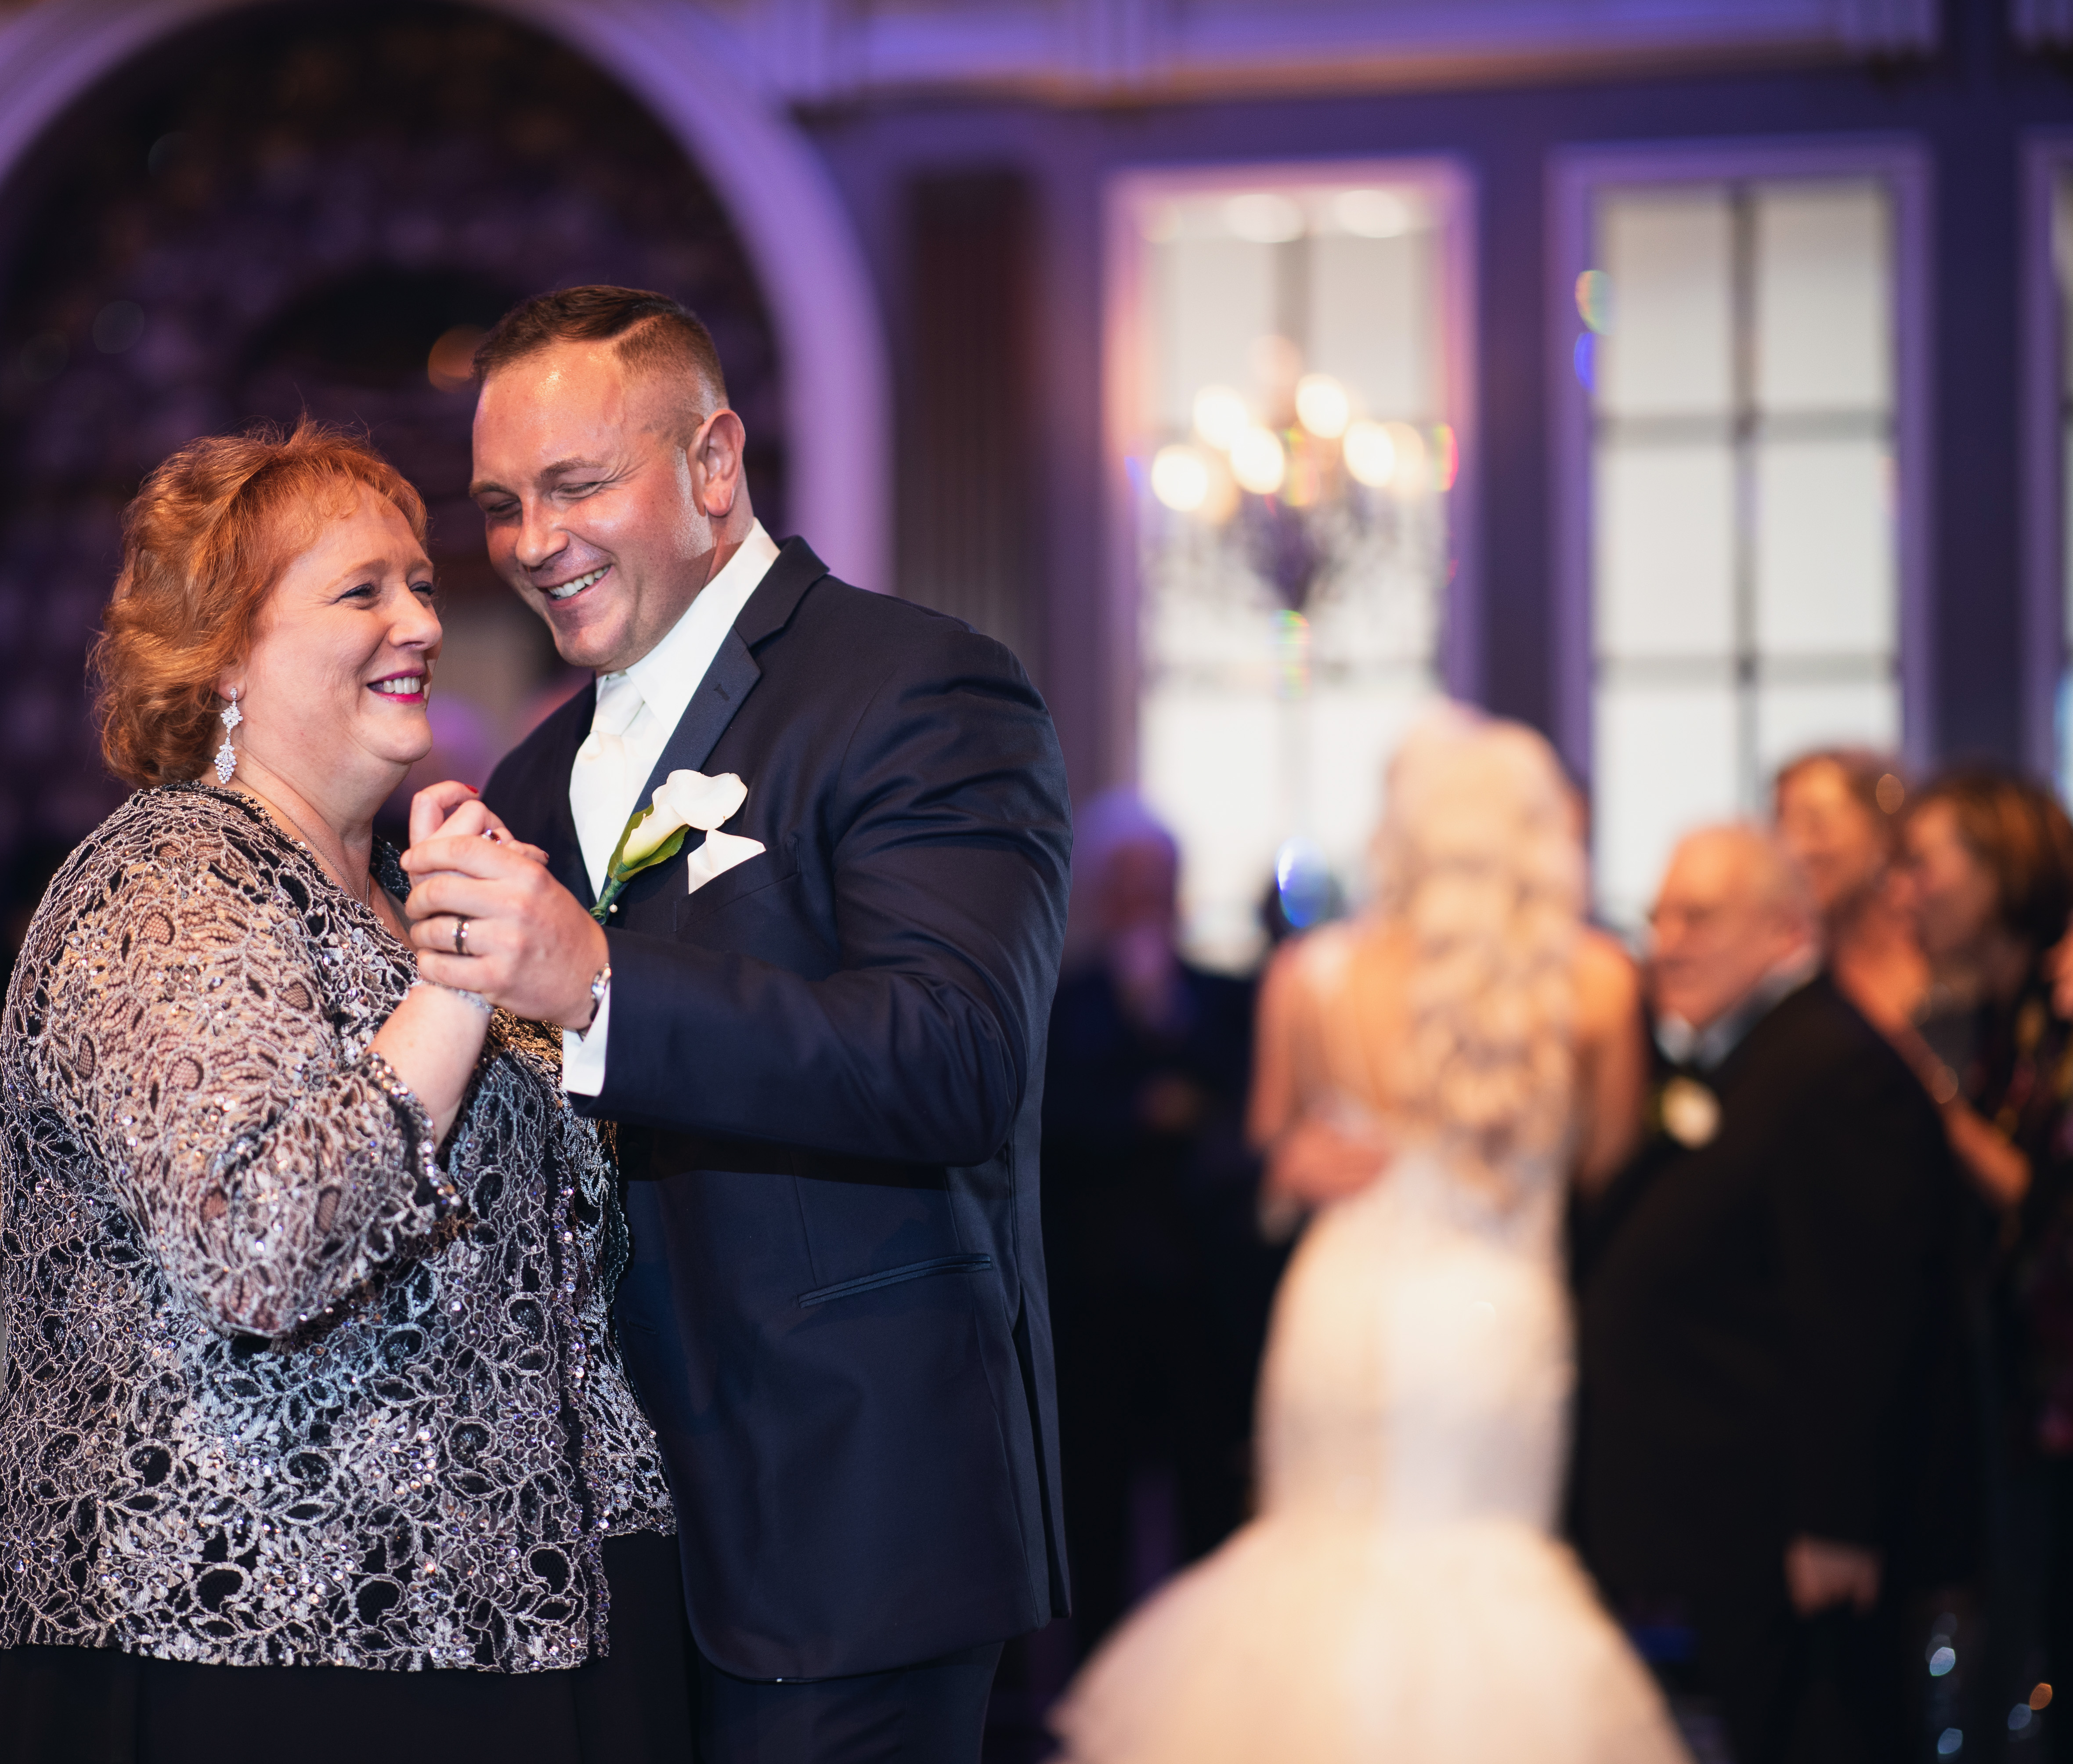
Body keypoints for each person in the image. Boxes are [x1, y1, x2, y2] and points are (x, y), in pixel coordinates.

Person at [0, 421, 686, 1763]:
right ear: (225, 652)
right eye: (362, 591)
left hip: (504, 1610)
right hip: (244, 1626)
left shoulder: (401, 895)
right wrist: (457, 980)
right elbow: (263, 1246)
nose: (422, 620)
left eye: (422, 583)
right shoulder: (164, 889)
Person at [437, 286, 1071, 1761]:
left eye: (575, 484)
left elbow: (954, 1056)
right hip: (600, 1559)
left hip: (847, 1520)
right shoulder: (527, 785)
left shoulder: (915, 689)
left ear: (713, 464)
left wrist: (599, 984)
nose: (533, 541)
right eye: (501, 504)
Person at [1053, 711, 1685, 1764]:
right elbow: (1605, 1166)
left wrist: (1303, 1159)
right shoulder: (1594, 982)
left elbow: (1266, 1148)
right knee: (1481, 1571)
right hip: (1491, 1313)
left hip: (1340, 1302)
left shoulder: (1312, 976)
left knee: (1320, 1558)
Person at [1573, 824, 1956, 1760]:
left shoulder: (1833, 1069)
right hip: (1730, 1530)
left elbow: (1857, 1318)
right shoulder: (1746, 1055)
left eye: (1698, 917)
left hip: (1795, 1536)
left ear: (1788, 931)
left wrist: (1835, 1521)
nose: (1666, 942)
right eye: (1659, 917)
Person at [1040, 790, 1265, 1650]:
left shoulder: (1224, 997)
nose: (1144, 899)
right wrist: (1141, 1109)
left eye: (1157, 882)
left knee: (1211, 1507)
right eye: (1127, 883)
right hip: (1096, 1304)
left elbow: (1246, 1114)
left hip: (1203, 1302)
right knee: (1095, 1514)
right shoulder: (1064, 1002)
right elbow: (1050, 1126)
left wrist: (1167, 1024)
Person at [1900, 769, 2073, 1751]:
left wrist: (1921, 1094)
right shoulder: (1998, 1014)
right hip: (2022, 1391)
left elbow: (2041, 1197)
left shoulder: (2058, 1004)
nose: (1907, 890)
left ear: (1999, 866)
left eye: (1926, 863)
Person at [1773, 747, 1928, 1038]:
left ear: (1884, 831)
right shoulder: (1784, 978)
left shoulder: (1943, 961)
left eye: (1817, 823)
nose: (1795, 848)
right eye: (1781, 824)